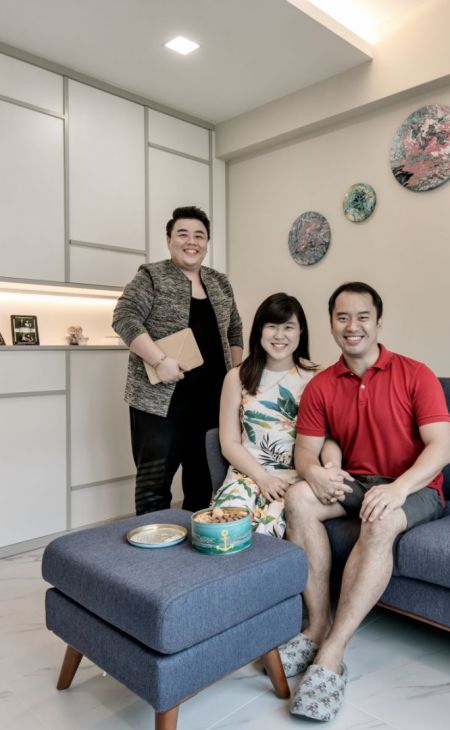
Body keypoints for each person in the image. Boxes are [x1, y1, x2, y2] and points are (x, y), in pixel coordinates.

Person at [281, 282, 450, 722]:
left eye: (362, 317)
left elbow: (441, 447)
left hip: (415, 488)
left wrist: (399, 489)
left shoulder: (416, 374)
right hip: (356, 482)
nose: (352, 326)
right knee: (298, 498)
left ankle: (332, 653)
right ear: (331, 325)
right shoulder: (321, 385)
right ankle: (316, 625)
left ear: (378, 323)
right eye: (342, 317)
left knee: (381, 519)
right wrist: (316, 473)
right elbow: (305, 451)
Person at [112, 206, 243, 515]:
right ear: (169, 240)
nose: (191, 241)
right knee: (154, 485)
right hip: (160, 404)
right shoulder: (151, 276)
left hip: (212, 403)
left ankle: (195, 544)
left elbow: (235, 330)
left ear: (207, 242)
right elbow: (124, 317)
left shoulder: (220, 282)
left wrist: (235, 375)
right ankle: (152, 544)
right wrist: (159, 361)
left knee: (204, 482)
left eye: (199, 235)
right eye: (183, 234)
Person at [210, 293, 340, 536]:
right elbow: (229, 443)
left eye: (288, 327)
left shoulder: (318, 376)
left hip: (298, 479)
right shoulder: (237, 377)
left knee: (269, 535)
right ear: (259, 330)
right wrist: (262, 478)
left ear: (300, 332)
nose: (279, 335)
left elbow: (330, 436)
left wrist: (331, 470)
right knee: (223, 532)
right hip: (247, 475)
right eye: (272, 326)